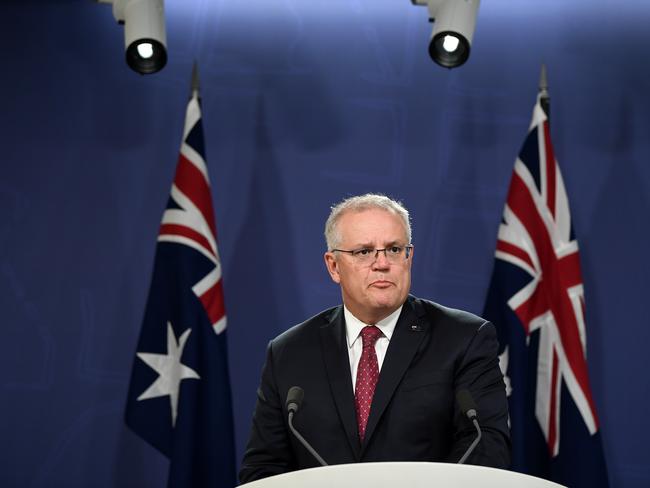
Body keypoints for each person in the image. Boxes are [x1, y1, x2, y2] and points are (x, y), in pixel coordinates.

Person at [239, 194, 510, 483]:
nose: (382, 263)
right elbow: (263, 469)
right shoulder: (289, 353)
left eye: (394, 249)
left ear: (409, 257)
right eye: (364, 252)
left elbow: (485, 451)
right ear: (333, 266)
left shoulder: (464, 339)